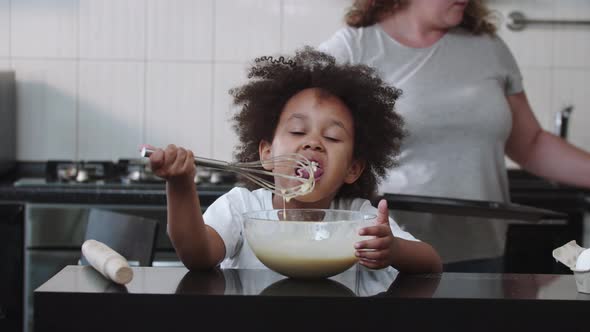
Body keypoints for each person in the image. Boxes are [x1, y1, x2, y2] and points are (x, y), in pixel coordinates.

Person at [318, 0, 590, 270]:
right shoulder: (352, 48)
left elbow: (530, 144)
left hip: (482, 251)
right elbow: (303, 141)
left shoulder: (488, 47)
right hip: (390, 256)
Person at [147, 47, 442, 274]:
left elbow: (431, 262)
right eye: (298, 131)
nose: (313, 141)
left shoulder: (357, 218)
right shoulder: (242, 208)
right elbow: (197, 255)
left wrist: (393, 250)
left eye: (333, 137)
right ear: (266, 154)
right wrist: (181, 184)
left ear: (353, 168)